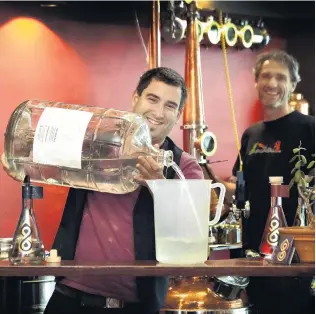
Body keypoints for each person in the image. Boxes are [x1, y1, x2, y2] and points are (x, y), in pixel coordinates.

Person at [1, 67, 204, 314]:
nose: (158, 113)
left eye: (170, 106)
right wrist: (20, 152)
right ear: (135, 98)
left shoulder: (185, 167)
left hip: (136, 307)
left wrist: (159, 185)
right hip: (69, 299)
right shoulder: (93, 143)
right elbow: (34, 157)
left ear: (179, 114)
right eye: (152, 99)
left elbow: (192, 233)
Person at [210, 50, 315, 314]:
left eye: (281, 77)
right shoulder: (251, 134)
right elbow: (242, 188)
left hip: (297, 258)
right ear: (256, 82)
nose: (272, 83)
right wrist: (211, 185)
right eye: (266, 76)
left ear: (293, 83)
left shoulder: (310, 129)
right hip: (253, 254)